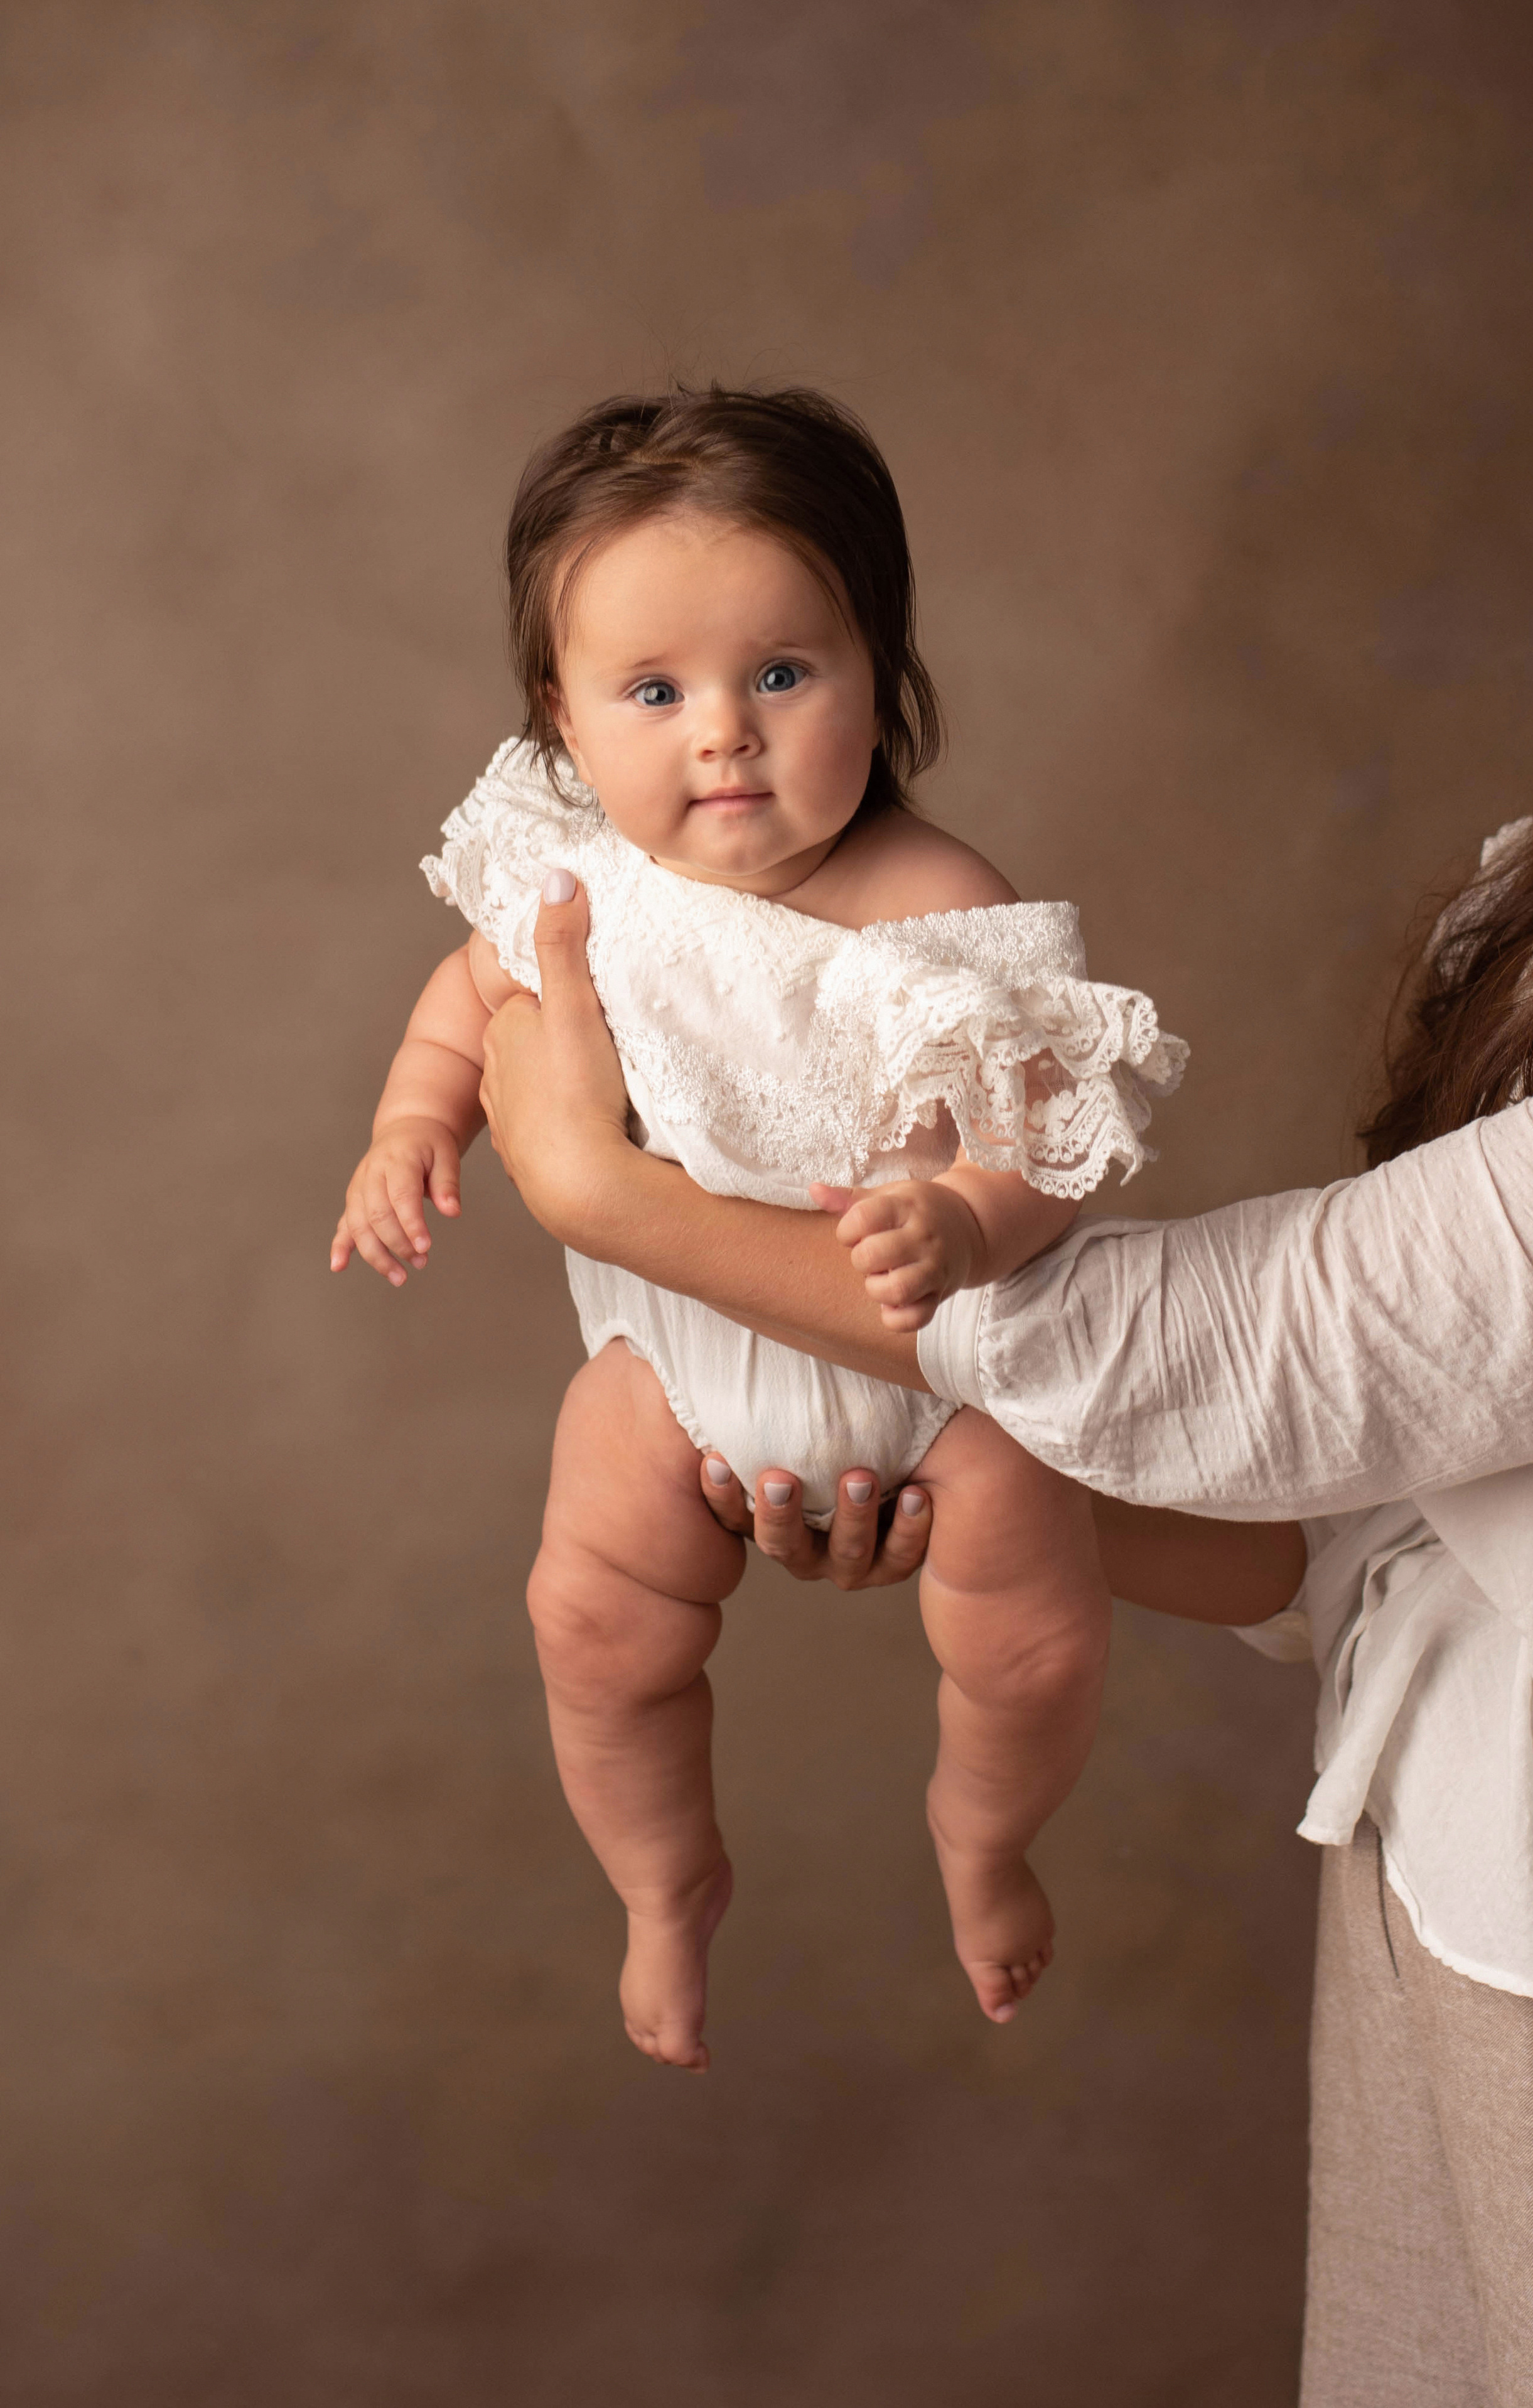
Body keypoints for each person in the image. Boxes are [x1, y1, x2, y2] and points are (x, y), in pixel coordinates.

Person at [477, 773, 1533, 2405]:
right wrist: (932, 1468)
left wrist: (613, 1200)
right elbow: (1388, 1536)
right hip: (1443, 1863)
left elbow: (1277, 1353)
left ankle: (978, 1846)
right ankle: (697, 1882)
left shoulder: (925, 900)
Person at [330, 386, 1198, 2070]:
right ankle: (663, 1881)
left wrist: (962, 1215)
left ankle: (985, 1835)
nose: (722, 731)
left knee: (1029, 1633)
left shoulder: (943, 906)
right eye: (654, 692)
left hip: (937, 1370)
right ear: (563, 722)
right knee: (590, 1614)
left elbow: (1050, 1133)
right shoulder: (587, 888)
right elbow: (465, 998)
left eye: (781, 674)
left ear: (883, 674)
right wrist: (407, 1127)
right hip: (678, 1356)